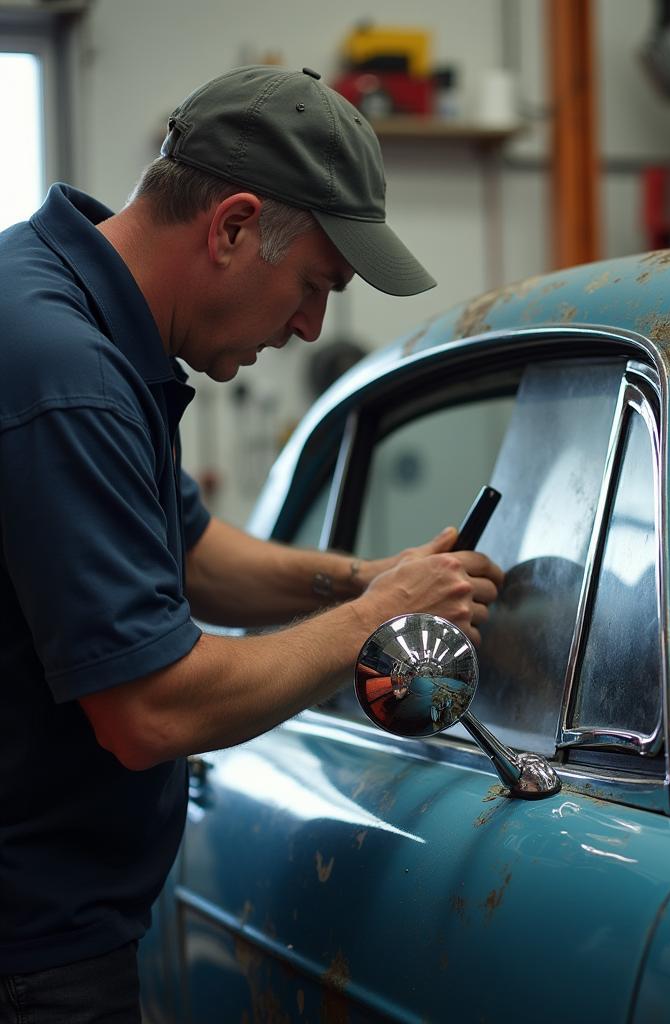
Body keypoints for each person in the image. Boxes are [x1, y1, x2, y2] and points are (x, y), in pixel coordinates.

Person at [0, 65, 503, 1022]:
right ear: (231, 227)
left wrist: (368, 577)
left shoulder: (64, 310)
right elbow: (150, 712)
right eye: (314, 284)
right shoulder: (63, 370)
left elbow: (191, 555)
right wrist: (379, 618)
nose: (312, 324)